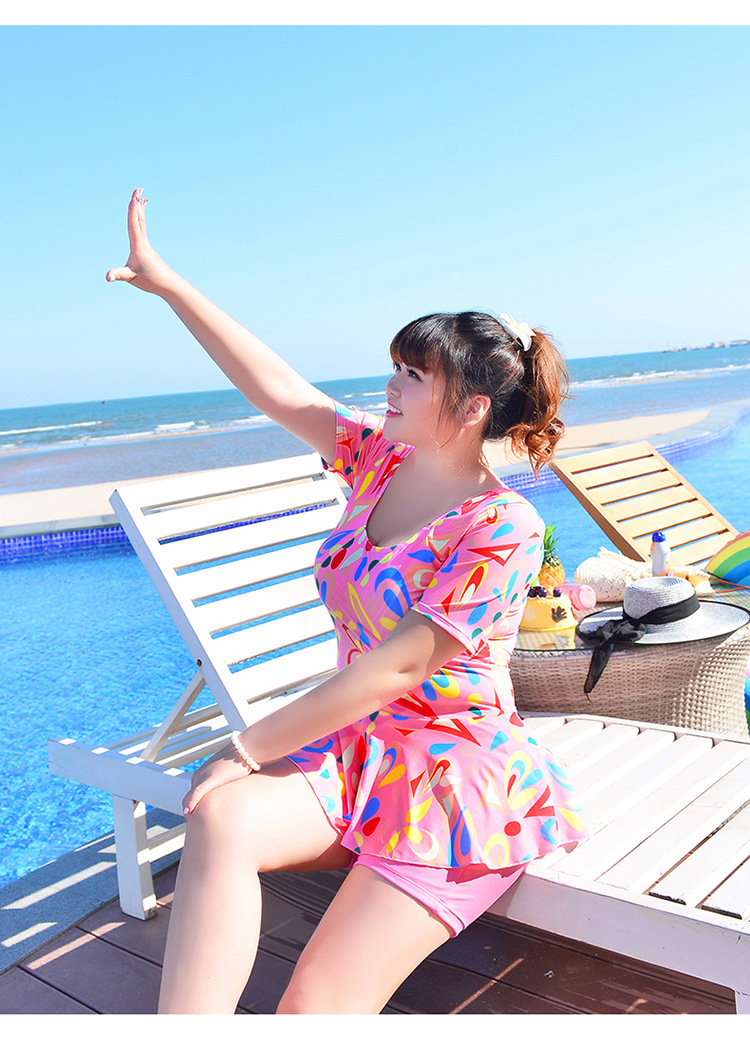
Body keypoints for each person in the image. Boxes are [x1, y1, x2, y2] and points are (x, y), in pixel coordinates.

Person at [107, 188, 587, 1015]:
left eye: (413, 375)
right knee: (220, 817)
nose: (389, 385)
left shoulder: (500, 526)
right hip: (357, 756)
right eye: (396, 367)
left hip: (450, 782)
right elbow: (277, 387)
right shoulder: (379, 461)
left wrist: (247, 746)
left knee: (310, 1011)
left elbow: (392, 670)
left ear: (472, 408)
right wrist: (171, 285)